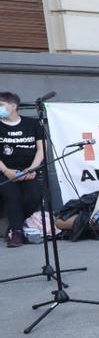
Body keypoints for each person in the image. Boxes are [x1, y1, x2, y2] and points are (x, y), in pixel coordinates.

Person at [0, 92, 45, 248]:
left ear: (13, 106)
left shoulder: (32, 124)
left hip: (30, 170)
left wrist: (32, 169)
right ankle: (16, 231)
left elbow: (41, 149)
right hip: (4, 171)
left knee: (33, 196)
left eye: (1, 105)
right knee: (12, 196)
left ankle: (22, 223)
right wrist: (7, 171)